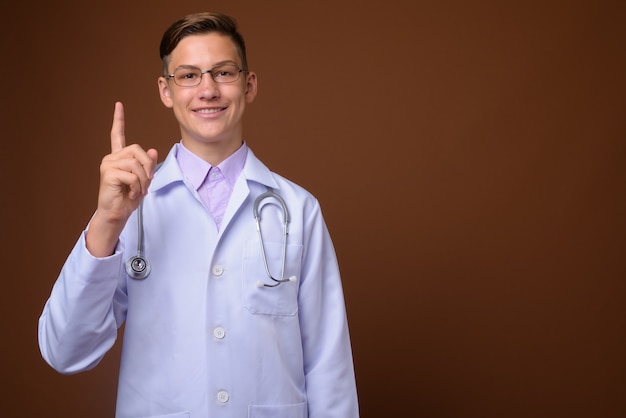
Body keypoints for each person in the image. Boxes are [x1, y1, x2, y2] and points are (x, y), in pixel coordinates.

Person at [38, 12, 359, 418]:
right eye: (188, 76)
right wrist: (106, 221)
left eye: (223, 72)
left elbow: (330, 369)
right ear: (166, 91)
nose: (207, 90)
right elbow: (64, 351)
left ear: (249, 84)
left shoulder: (298, 210)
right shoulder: (132, 209)